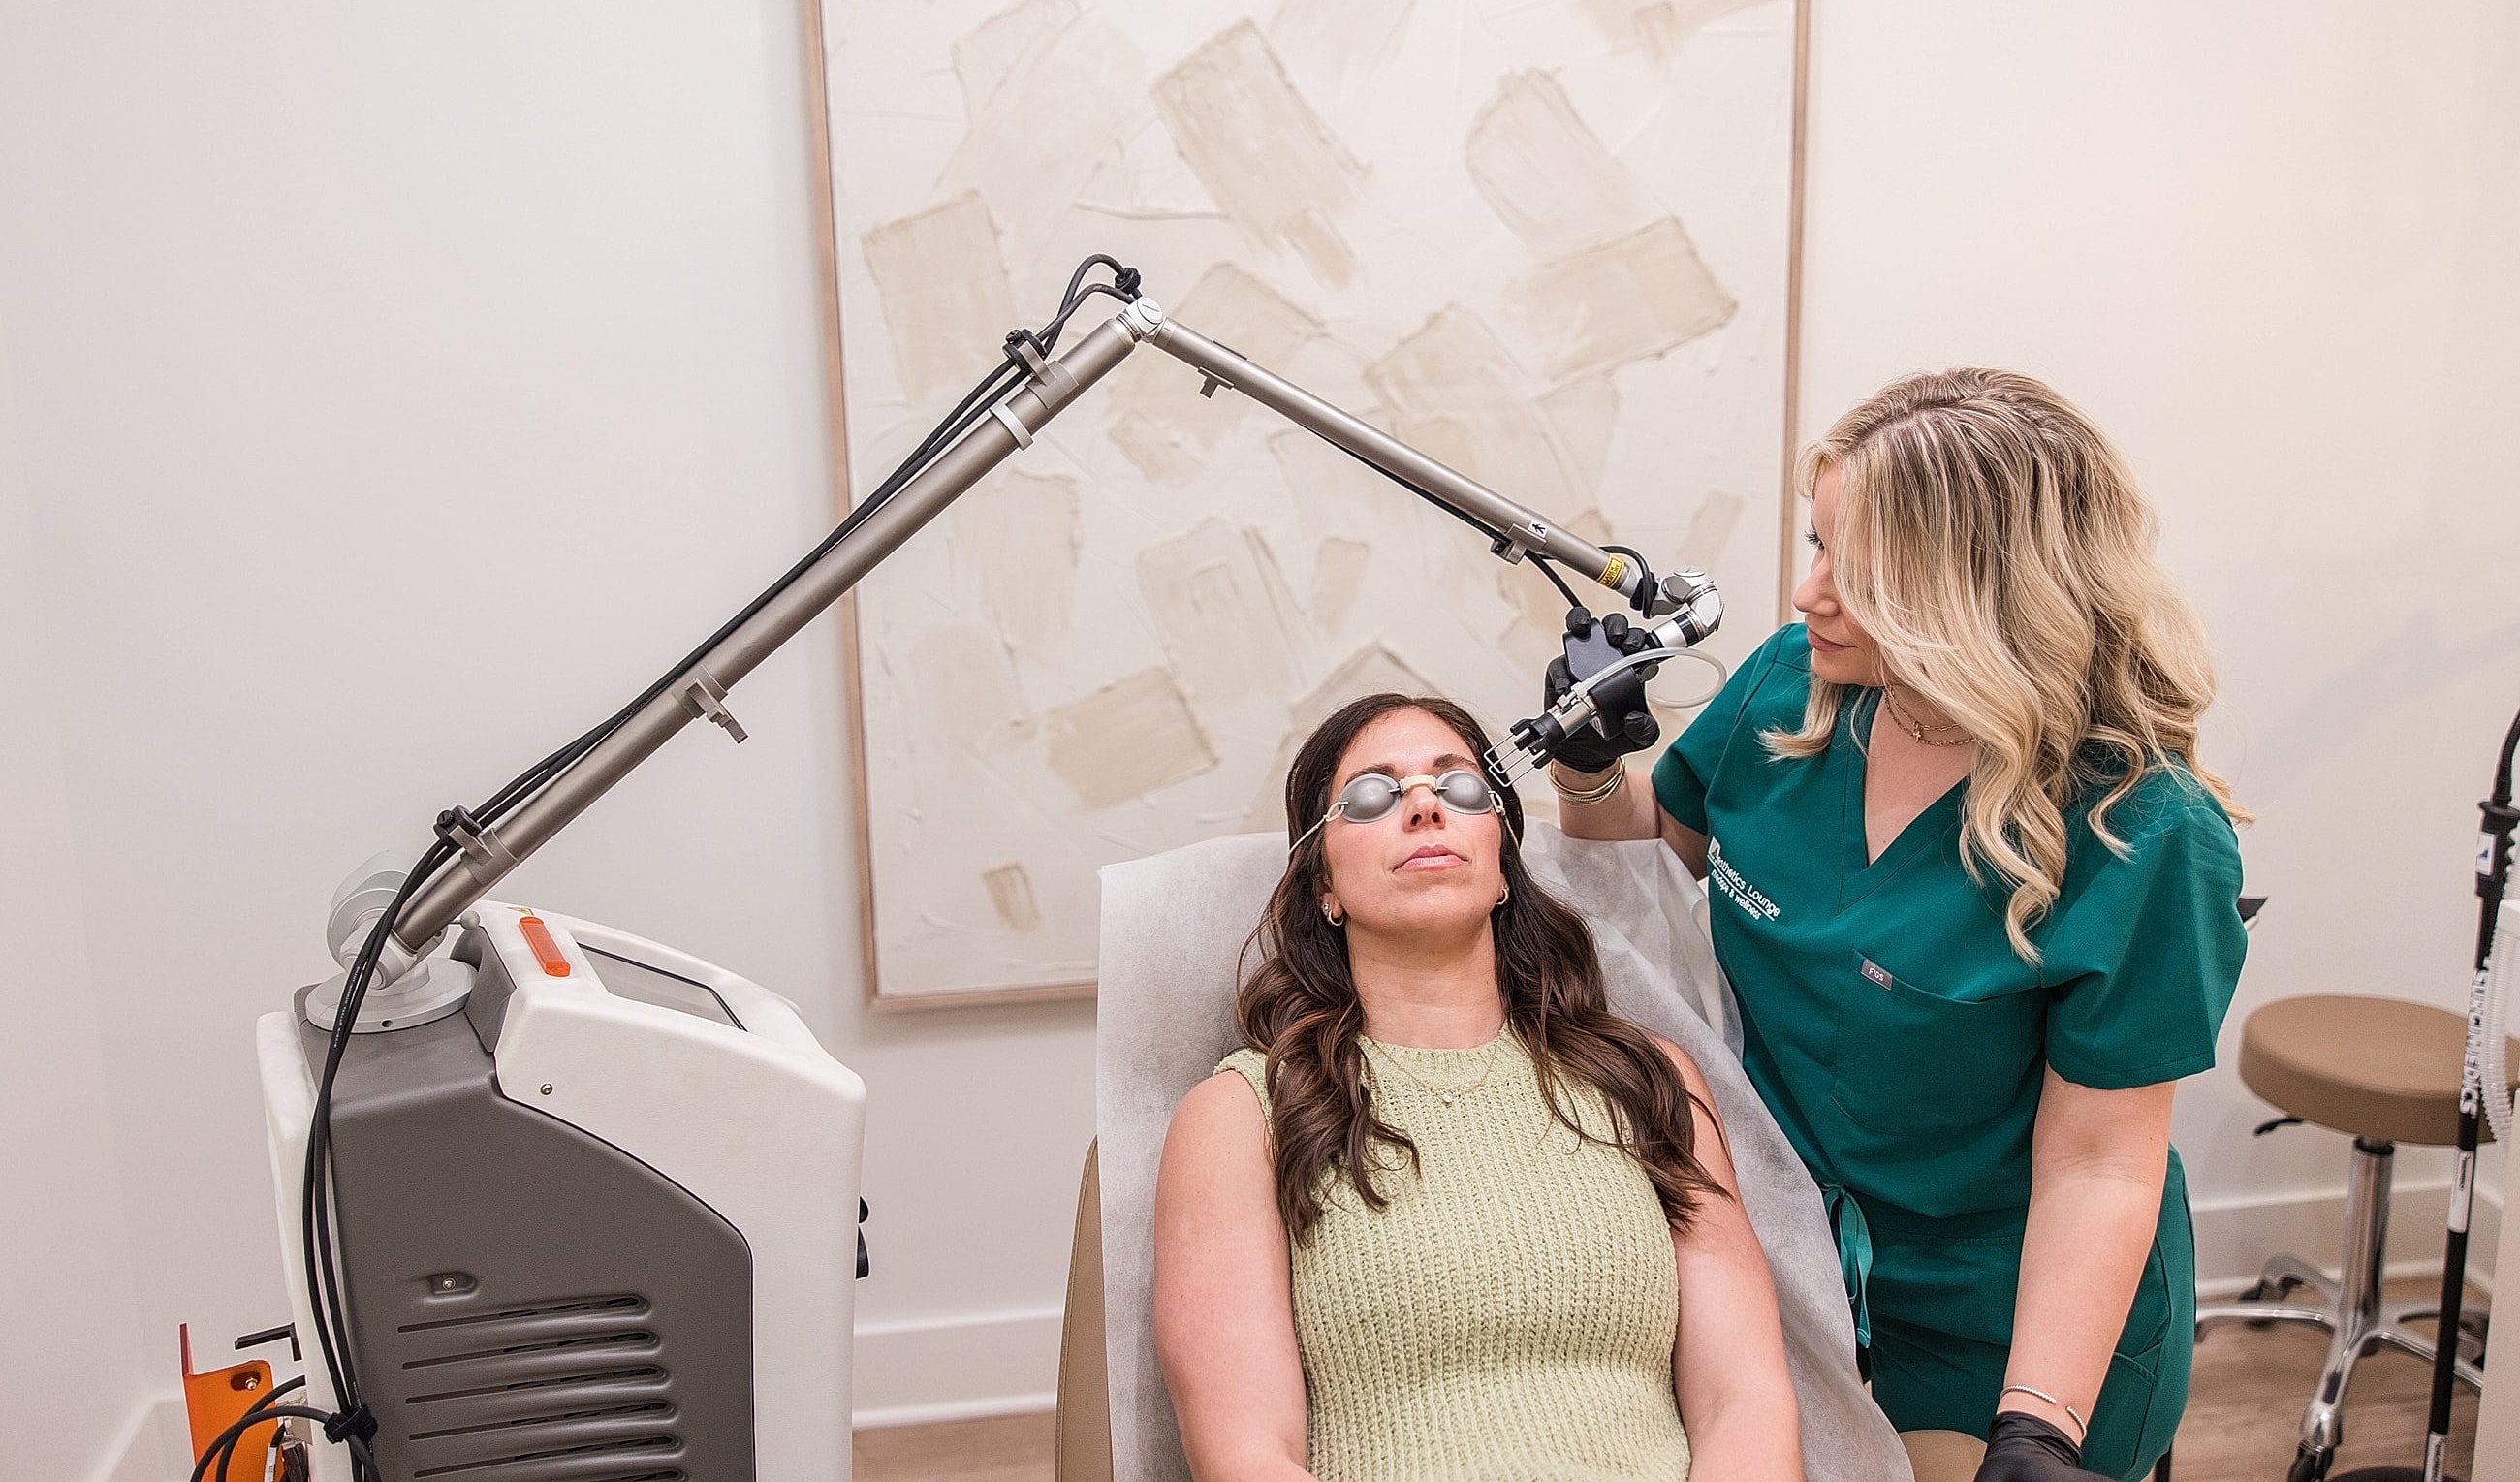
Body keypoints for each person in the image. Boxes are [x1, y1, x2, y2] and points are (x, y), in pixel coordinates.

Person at [1555, 368, 2248, 1482]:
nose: (1806, 593)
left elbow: (2100, 1164)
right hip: (1794, 1267)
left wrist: (2036, 1424)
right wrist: (1590, 763)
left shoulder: (2140, 832)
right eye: (1816, 543)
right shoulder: (1791, 687)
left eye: (1859, 570)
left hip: (2007, 1326)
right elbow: (1656, 846)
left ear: (1980, 588)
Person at [1152, 693, 1804, 1481]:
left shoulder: (1647, 1081)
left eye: (1459, 786)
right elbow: (1246, 1454)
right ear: (1324, 885)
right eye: (1372, 795)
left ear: (1502, 868)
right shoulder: (1242, 1115)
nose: (1425, 806)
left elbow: (1745, 1400)